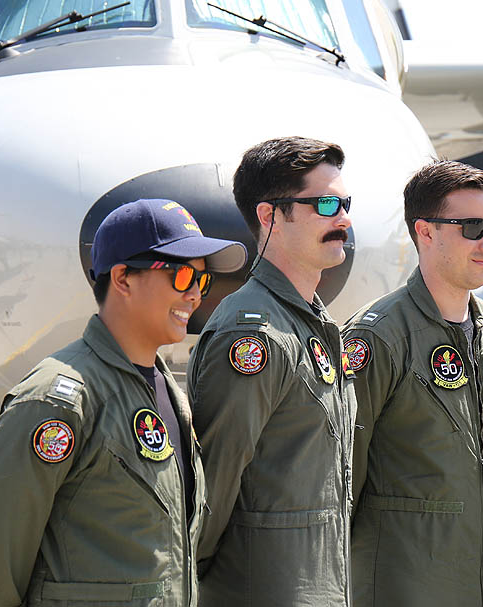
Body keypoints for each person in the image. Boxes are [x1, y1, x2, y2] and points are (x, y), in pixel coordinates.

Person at [0, 198, 247, 606]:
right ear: (123, 278)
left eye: (203, 280)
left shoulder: (170, 395)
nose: (195, 295)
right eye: (181, 276)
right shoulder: (59, 400)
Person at [188, 136, 357, 606]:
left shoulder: (311, 322)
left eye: (344, 204)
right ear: (270, 216)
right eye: (325, 204)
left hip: (319, 584)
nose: (343, 219)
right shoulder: (253, 335)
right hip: (261, 587)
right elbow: (216, 481)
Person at [343, 160, 483, 606]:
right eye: (472, 227)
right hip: (400, 587)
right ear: (425, 232)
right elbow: (341, 475)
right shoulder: (378, 336)